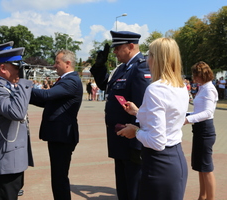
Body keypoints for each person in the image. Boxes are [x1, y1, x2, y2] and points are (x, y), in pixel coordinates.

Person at [117, 38, 188, 200]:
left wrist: (135, 132)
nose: (147, 59)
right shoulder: (181, 86)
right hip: (175, 159)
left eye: (150, 55)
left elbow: (157, 141)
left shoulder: (155, 89)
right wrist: (138, 112)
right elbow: (168, 118)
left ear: (158, 59)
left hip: (159, 164)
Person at [90, 31, 151, 200]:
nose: (115, 52)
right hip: (119, 138)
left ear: (131, 46)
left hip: (131, 140)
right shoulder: (122, 69)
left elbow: (141, 107)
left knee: (133, 189)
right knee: (123, 188)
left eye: (118, 48)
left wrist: (137, 144)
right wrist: (100, 66)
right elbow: (106, 86)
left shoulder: (141, 67)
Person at [30, 49, 83, 200]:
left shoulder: (71, 80)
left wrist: (24, 87)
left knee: (59, 178)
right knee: (58, 177)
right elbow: (47, 101)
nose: (54, 66)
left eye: (57, 62)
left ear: (67, 63)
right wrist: (25, 95)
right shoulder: (66, 80)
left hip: (63, 136)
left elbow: (47, 95)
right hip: (59, 135)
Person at [0, 47, 33, 200]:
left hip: (12, 159)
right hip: (3, 161)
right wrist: (24, 82)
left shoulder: (7, 87)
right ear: (3, 68)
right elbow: (17, 113)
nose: (19, 70)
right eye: (16, 67)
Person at [184, 61, 218, 200]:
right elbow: (199, 111)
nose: (193, 78)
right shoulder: (203, 88)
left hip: (205, 130)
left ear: (202, 75)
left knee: (206, 168)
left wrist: (187, 119)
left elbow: (208, 113)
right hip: (199, 130)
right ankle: (202, 196)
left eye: (195, 75)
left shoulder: (209, 89)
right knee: (200, 167)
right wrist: (185, 114)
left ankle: (210, 198)